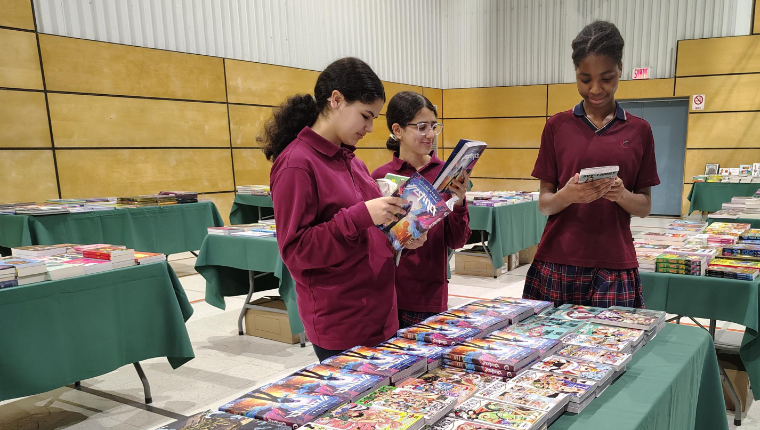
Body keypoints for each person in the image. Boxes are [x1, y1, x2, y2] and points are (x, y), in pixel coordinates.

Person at [261, 58, 426, 362]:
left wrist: (403, 236)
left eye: (374, 118)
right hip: (343, 323)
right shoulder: (296, 163)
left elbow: (370, 233)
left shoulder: (353, 162)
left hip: (380, 315)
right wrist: (360, 215)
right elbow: (295, 251)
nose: (370, 128)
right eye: (365, 116)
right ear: (336, 100)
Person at [522, 21, 660, 308]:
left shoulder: (640, 131)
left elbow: (644, 206)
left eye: (606, 78)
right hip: (558, 260)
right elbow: (545, 204)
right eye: (585, 79)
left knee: (617, 338)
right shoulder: (557, 126)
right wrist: (567, 195)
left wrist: (621, 195)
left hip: (615, 263)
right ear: (575, 73)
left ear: (620, 69)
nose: (596, 89)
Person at [371, 91, 471, 328]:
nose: (431, 134)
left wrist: (459, 203)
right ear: (398, 130)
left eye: (434, 127)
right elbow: (372, 241)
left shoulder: (446, 174)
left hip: (430, 294)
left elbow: (457, 241)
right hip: (387, 293)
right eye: (422, 127)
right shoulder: (380, 177)